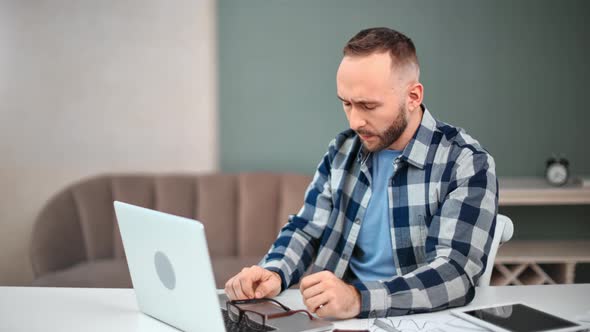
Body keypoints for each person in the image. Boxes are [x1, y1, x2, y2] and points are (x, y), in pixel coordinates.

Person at [224, 27, 498, 319]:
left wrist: (357, 299)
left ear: (413, 96)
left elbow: (454, 273)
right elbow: (306, 228)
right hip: (337, 319)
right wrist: (274, 272)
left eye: (368, 105)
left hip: (415, 319)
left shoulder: (465, 162)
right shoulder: (342, 150)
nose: (355, 121)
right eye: (346, 103)